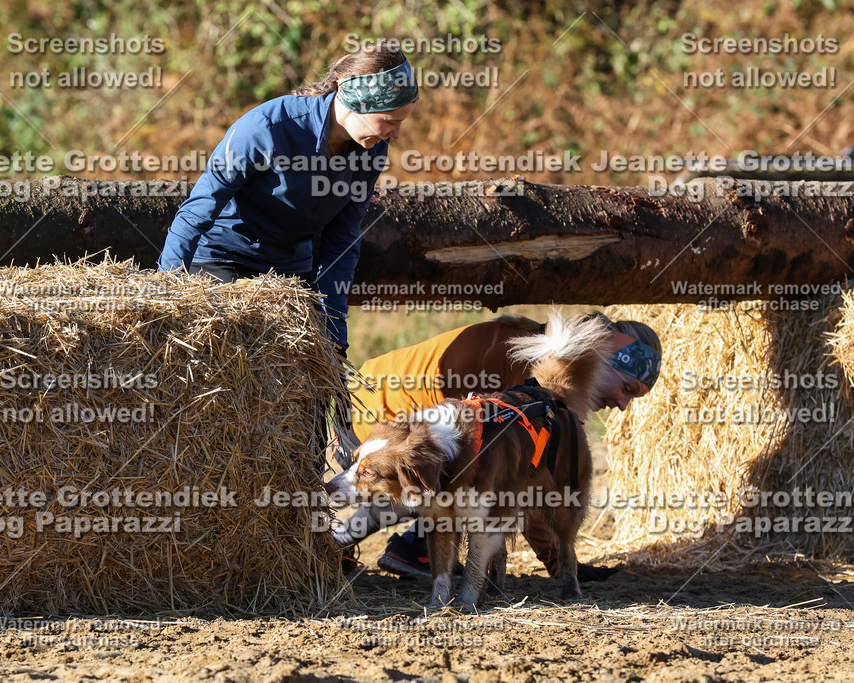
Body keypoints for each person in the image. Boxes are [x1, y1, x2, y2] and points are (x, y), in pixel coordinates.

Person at [333, 311, 662, 580]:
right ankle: (399, 547)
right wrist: (561, 565)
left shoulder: (537, 350)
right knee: (445, 473)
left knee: (454, 466)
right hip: (375, 421)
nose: (623, 404)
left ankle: (354, 543)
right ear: (602, 359)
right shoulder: (532, 373)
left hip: (365, 404)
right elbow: (518, 481)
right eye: (627, 388)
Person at [158, 45, 418, 355]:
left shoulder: (372, 150)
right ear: (355, 100)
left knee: (311, 373)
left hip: (288, 271)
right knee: (239, 355)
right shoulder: (266, 128)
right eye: (389, 121)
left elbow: (342, 239)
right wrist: (167, 297)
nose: (397, 134)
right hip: (223, 258)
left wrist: (334, 331)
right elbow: (198, 209)